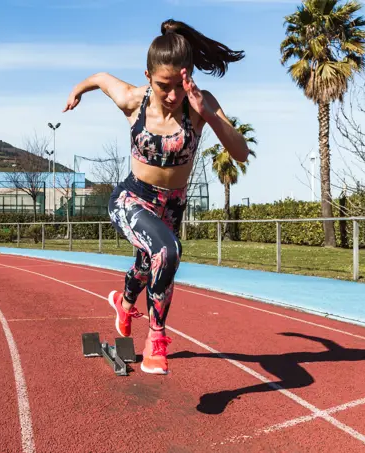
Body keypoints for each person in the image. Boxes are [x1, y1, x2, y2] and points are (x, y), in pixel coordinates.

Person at [63, 19, 251, 374]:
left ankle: (123, 302)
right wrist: (77, 89)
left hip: (172, 207)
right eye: (163, 86)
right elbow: (102, 78)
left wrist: (209, 115)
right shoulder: (134, 100)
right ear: (147, 76)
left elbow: (240, 152)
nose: (172, 95)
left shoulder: (200, 106)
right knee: (167, 251)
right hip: (132, 200)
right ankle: (156, 339)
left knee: (147, 265)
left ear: (189, 77)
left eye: (179, 86)